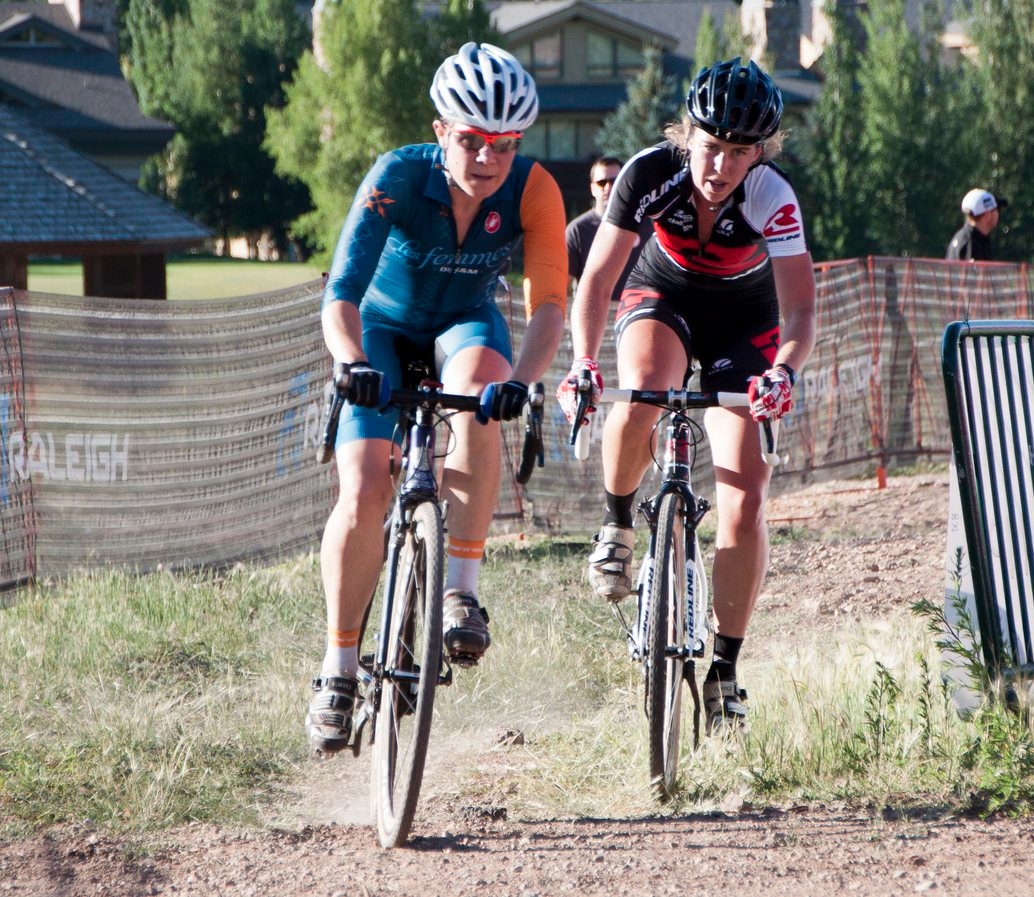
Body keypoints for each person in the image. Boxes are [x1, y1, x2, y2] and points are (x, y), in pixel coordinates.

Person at [305, 43, 568, 754]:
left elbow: (548, 309)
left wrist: (524, 380)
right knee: (363, 486)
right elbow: (342, 293)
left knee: (484, 392)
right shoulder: (397, 175)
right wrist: (352, 360)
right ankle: (338, 668)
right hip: (382, 330)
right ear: (441, 128)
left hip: (462, 326)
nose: (487, 157)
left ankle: (461, 586)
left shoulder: (534, 191)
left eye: (504, 145)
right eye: (471, 139)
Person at [557, 58, 816, 732]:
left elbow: (801, 315)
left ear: (760, 152)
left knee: (746, 497)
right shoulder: (648, 174)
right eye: (711, 146)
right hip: (661, 295)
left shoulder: (772, 198)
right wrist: (583, 360)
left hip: (744, 321)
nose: (722, 165)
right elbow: (596, 279)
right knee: (643, 393)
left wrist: (782, 371)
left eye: (740, 152)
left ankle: (725, 669)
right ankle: (616, 523)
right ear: (685, 134)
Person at [565, 156, 653, 303]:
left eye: (615, 181)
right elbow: (562, 284)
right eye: (601, 183)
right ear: (593, 188)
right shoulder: (577, 230)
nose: (608, 187)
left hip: (637, 314)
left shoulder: (646, 224)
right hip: (594, 316)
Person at [946, 188, 1006, 262]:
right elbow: (974, 272)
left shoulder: (965, 237)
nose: (998, 214)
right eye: (997, 210)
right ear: (987, 215)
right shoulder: (971, 244)